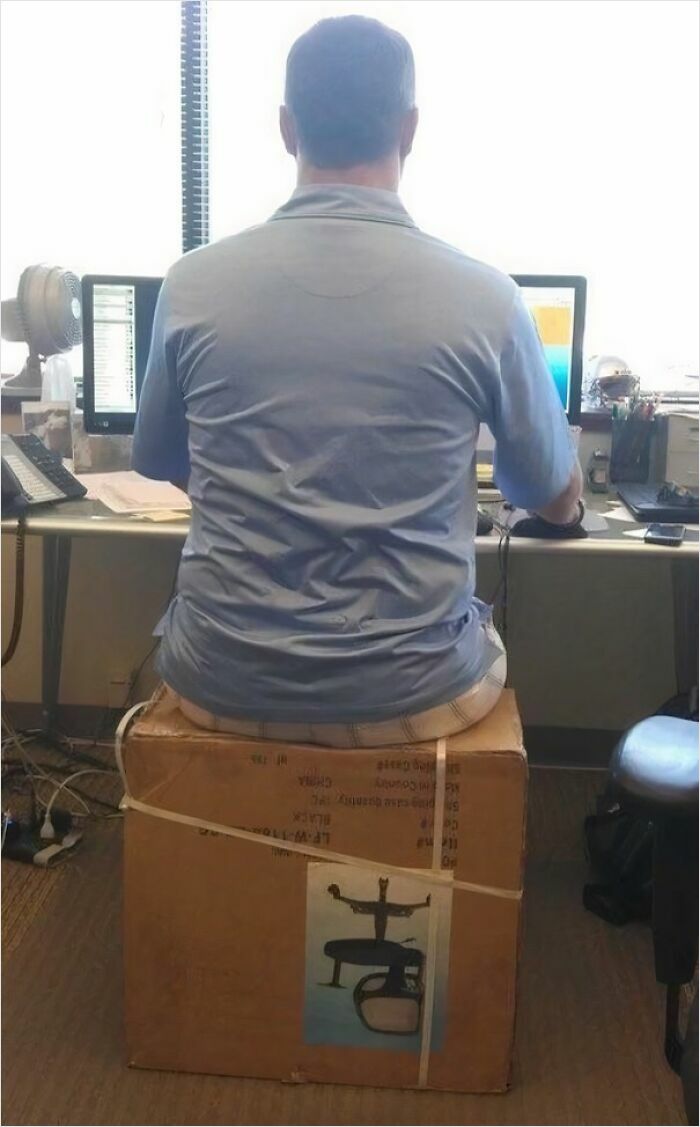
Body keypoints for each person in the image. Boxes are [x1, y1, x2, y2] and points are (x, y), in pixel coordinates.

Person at [132, 15, 583, 748]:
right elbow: (545, 491)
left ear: (287, 129)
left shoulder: (190, 284)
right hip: (413, 694)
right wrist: (565, 502)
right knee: (484, 638)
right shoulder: (488, 298)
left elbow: (158, 459)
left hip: (218, 683)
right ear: (410, 130)